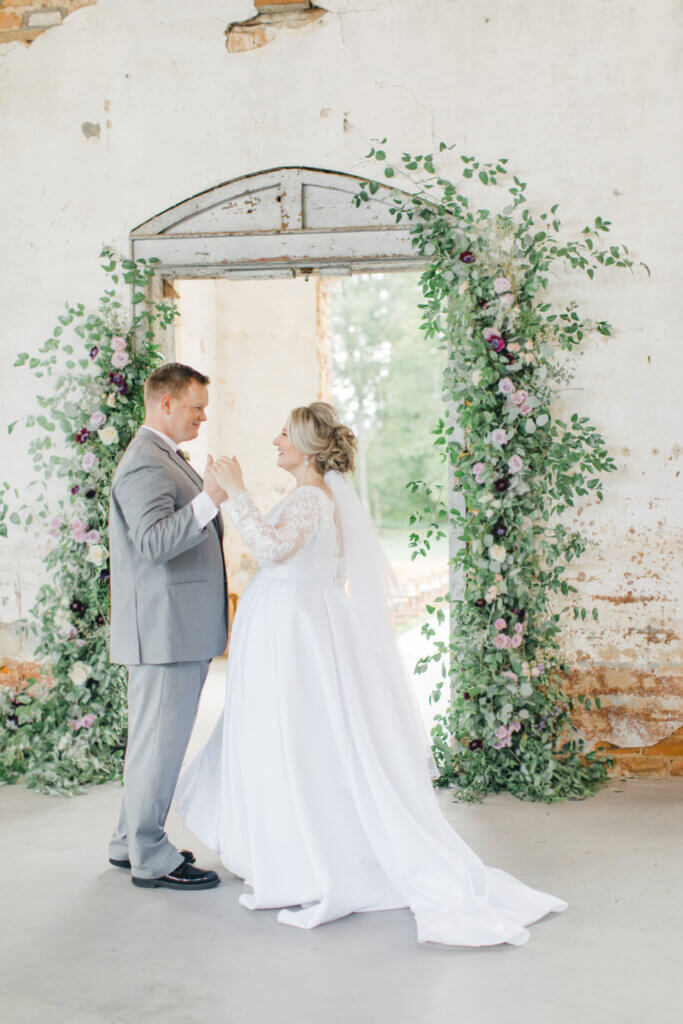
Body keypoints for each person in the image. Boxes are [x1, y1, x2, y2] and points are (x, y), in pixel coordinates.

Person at [175, 401, 568, 945]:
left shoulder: (313, 497)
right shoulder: (314, 495)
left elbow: (269, 549)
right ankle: (279, 839)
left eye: (283, 434)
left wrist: (235, 490)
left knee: (296, 734)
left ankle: (301, 852)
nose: (275, 442)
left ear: (310, 447)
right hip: (293, 627)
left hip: (296, 637)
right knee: (293, 734)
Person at [108, 362, 229, 890]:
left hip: (173, 628)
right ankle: (150, 856)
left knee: (151, 743)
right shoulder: (145, 464)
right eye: (196, 406)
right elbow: (155, 542)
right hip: (165, 632)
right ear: (166, 403)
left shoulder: (162, 457)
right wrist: (211, 500)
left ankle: (127, 841)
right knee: (160, 745)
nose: (204, 416)